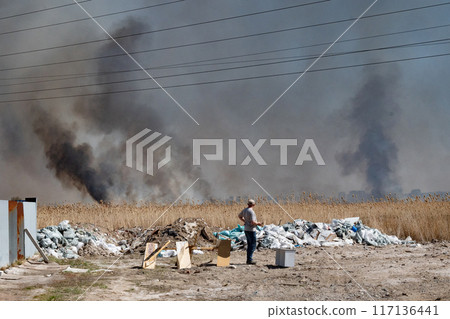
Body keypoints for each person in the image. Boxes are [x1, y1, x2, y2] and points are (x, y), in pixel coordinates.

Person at [238, 199, 263, 265]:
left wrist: (245, 221)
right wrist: (258, 223)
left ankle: (249, 259)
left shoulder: (245, 210)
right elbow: (253, 222)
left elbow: (239, 216)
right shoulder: (251, 212)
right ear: (254, 204)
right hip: (251, 230)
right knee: (253, 245)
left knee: (249, 244)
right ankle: (249, 259)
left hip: (246, 229)